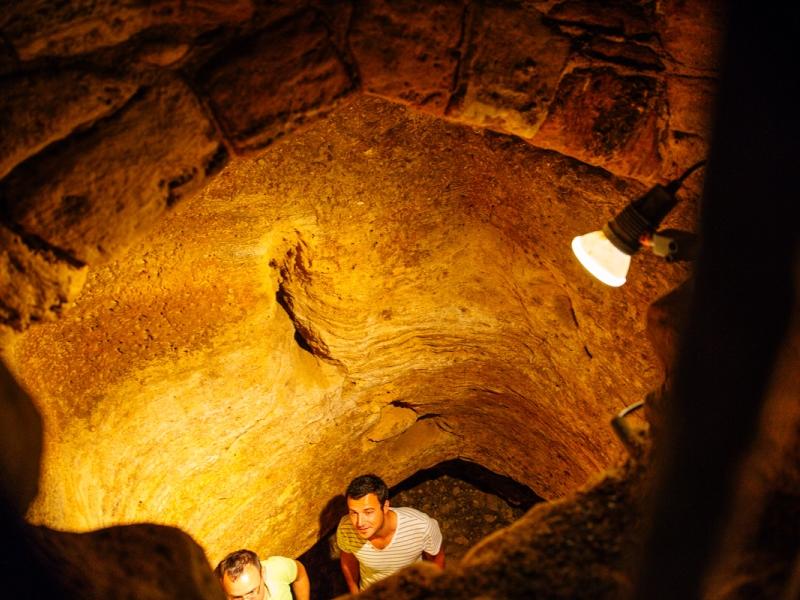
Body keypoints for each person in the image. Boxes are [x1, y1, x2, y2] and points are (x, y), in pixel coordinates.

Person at [336, 474, 445, 593]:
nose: (359, 522)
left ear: (385, 507)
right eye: (353, 513)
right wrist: (355, 592)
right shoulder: (346, 528)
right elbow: (348, 560)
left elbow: (436, 559)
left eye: (368, 512)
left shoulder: (420, 525)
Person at [214, 548, 310, 600]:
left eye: (251, 592)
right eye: (237, 597)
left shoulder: (277, 569)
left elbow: (300, 574)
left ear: (263, 574)